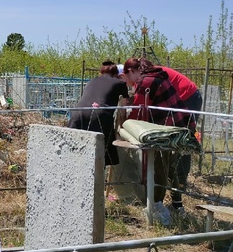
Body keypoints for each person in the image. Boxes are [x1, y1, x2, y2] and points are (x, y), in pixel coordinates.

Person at [121, 58, 200, 209]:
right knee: (170, 166)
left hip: (167, 129)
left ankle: (157, 205)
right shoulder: (157, 76)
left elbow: (139, 109)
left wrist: (125, 124)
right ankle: (177, 204)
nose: (129, 83)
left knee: (160, 165)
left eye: (127, 77)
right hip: (179, 125)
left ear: (132, 71)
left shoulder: (145, 81)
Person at [68, 60, 129, 165]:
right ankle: (99, 179)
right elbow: (123, 108)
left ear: (101, 72)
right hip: (100, 115)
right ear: (116, 74)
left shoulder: (91, 81)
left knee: (76, 149)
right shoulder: (120, 84)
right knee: (100, 153)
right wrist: (123, 124)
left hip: (78, 113)